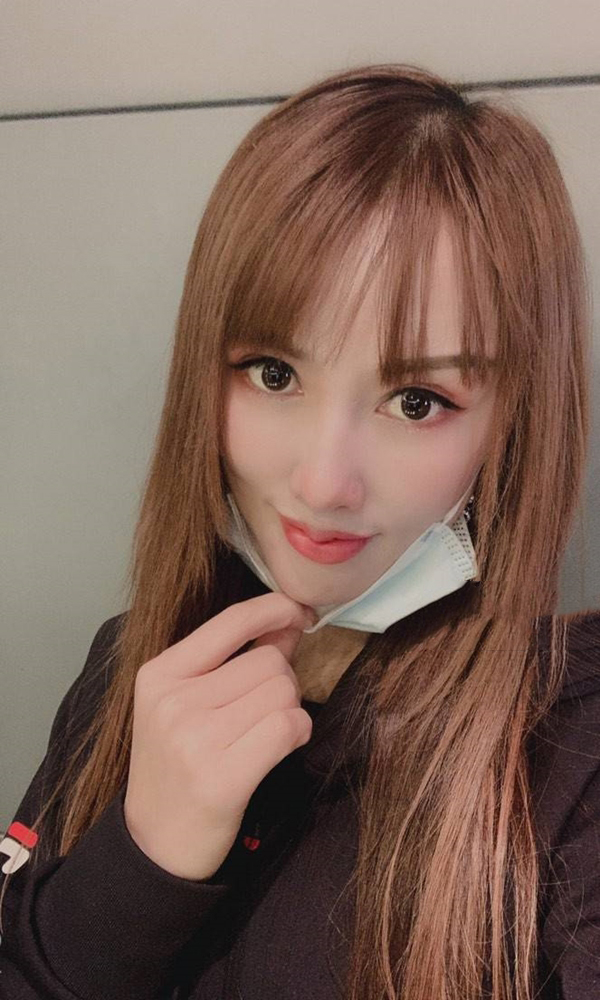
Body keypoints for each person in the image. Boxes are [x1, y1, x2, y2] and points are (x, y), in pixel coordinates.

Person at [1, 62, 599, 1000]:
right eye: (274, 374)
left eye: (417, 400)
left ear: (513, 423)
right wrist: (139, 863)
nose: (323, 483)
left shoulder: (574, 747)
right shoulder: (129, 669)